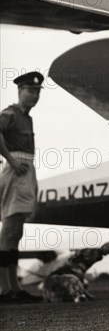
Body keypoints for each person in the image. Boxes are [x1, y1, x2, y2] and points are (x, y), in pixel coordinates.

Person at [0, 71, 45, 303]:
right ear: (20, 91)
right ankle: (4, 289)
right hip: (16, 172)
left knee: (15, 233)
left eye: (38, 91)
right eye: (31, 90)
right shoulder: (11, 113)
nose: (35, 95)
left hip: (26, 173)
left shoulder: (27, 117)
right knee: (9, 231)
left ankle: (13, 286)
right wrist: (10, 158)